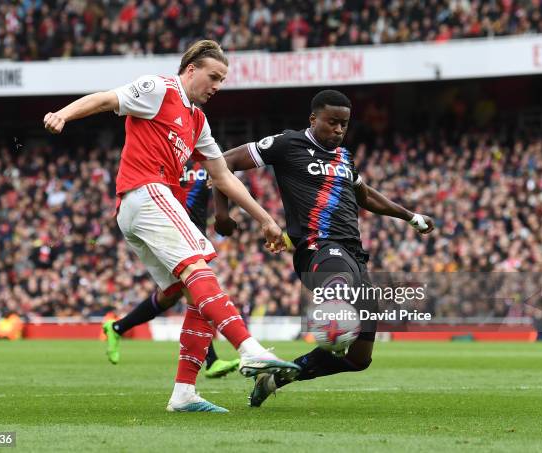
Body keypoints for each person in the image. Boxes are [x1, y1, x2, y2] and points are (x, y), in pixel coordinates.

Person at [43, 40, 300, 413]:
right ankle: (250, 350)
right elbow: (105, 99)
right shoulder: (159, 89)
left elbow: (223, 177)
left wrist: (266, 220)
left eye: (223, 80)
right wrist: (63, 114)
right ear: (191, 69)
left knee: (193, 293)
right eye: (213, 77)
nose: (217, 86)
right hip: (145, 192)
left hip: (139, 206)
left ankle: (184, 393)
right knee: (199, 268)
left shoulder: (197, 121)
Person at [213, 89, 435, 407]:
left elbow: (366, 196)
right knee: (339, 285)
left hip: (354, 253)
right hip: (317, 247)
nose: (339, 130)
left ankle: (275, 378)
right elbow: (224, 162)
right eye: (332, 122)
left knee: (360, 359)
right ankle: (331, 312)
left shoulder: (344, 157)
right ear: (313, 119)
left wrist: (410, 216)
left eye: (344, 124)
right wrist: (223, 214)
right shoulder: (288, 144)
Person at [102, 160, 241, 379]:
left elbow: (222, 185)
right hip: (170, 232)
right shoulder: (164, 158)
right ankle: (212, 361)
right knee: (195, 291)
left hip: (195, 234)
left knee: (171, 295)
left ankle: (118, 327)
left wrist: (223, 216)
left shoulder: (207, 160)